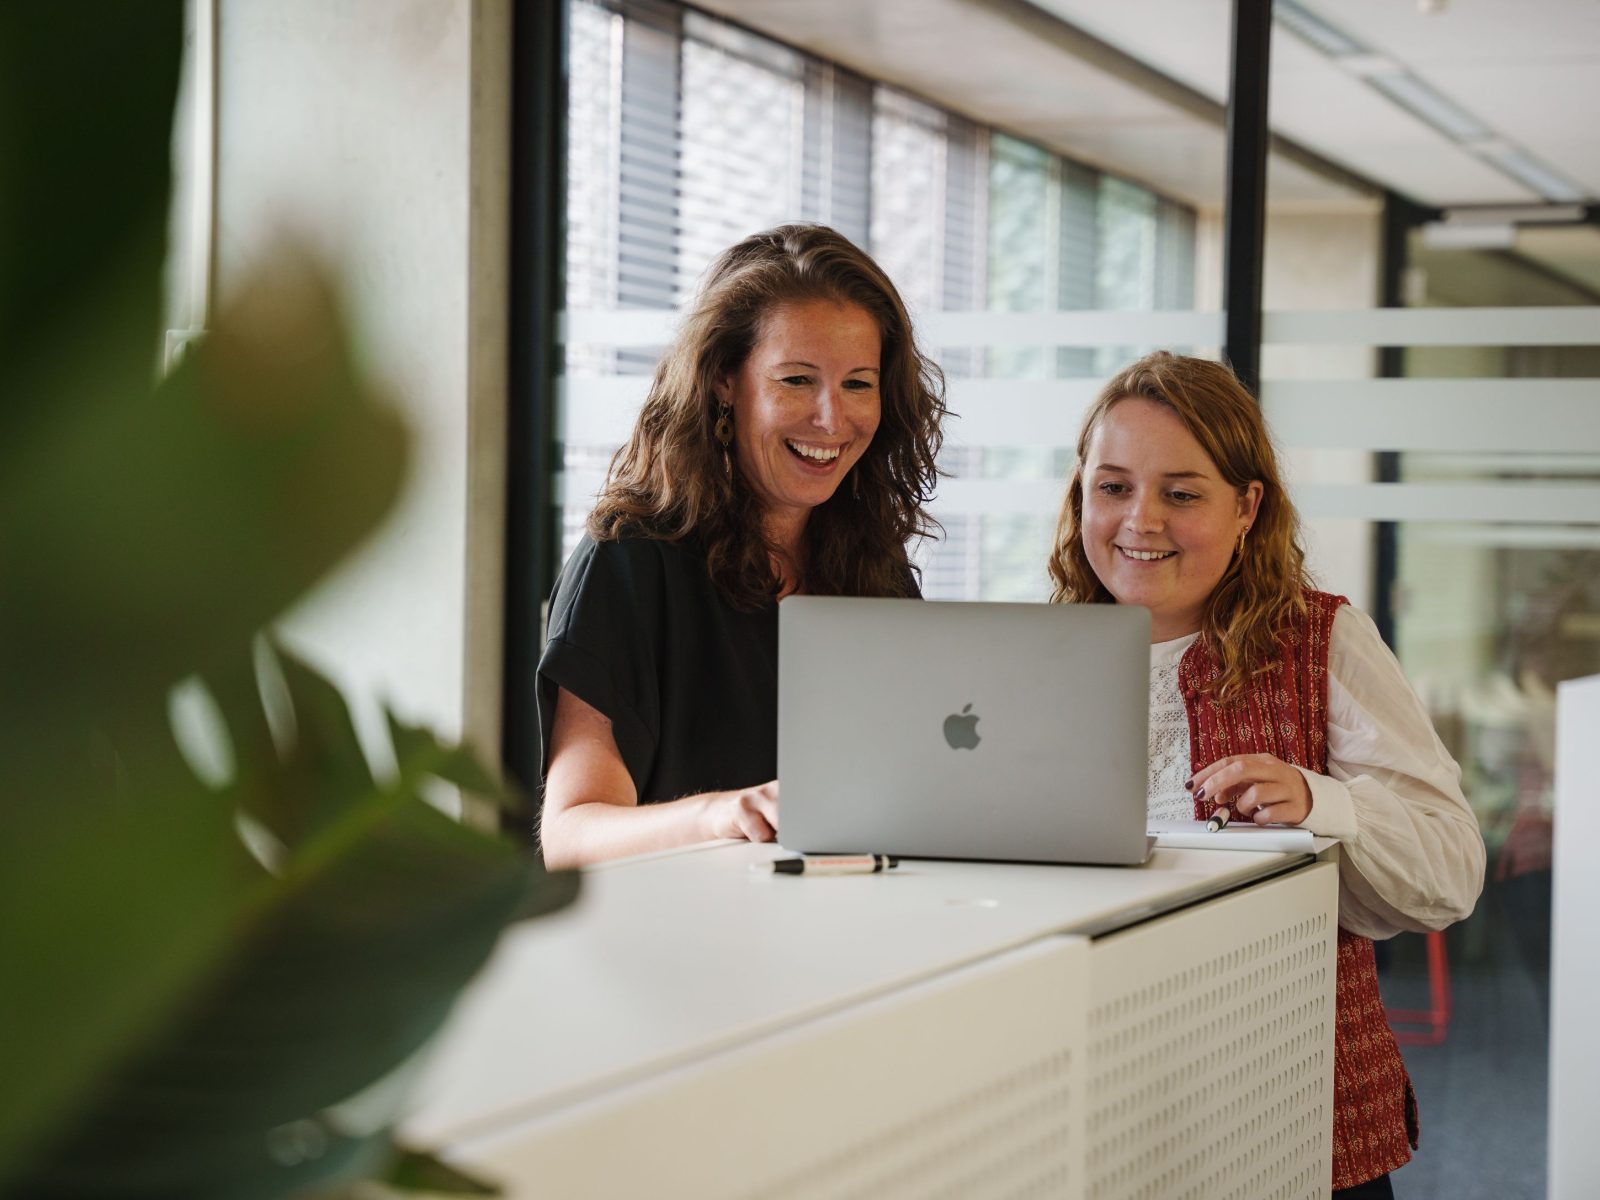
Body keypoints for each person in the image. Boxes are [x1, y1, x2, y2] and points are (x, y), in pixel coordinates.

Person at [1047, 351, 1485, 1198]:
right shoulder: (1035, 660)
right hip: (1110, 1101)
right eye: (1112, 487)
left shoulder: (1321, 641)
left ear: (1248, 506)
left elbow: (1451, 869)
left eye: (1182, 493)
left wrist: (1325, 804)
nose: (1141, 519)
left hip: (1291, 1111)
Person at [536, 224, 946, 869]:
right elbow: (571, 836)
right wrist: (724, 814)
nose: (831, 419)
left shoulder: (877, 570)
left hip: (852, 938)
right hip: (689, 947)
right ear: (727, 380)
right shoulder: (628, 561)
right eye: (796, 380)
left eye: (858, 384)